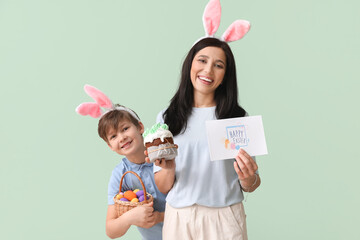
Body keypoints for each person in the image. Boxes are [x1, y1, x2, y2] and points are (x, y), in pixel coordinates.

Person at [76, 85, 166, 240]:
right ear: (110, 146)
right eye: (113, 136)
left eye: (125, 129)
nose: (121, 138)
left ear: (140, 127)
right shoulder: (121, 175)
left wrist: (159, 217)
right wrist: (130, 217)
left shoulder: (163, 154)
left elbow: (191, 202)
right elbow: (111, 230)